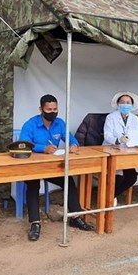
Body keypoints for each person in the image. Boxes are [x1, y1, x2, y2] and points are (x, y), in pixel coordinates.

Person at [20, 94, 95, 241]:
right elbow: (24, 144)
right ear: (41, 109)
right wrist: (43, 148)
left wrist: (73, 144)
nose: (52, 112)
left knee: (68, 181)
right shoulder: (30, 124)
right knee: (33, 185)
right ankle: (35, 223)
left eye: (55, 109)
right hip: (34, 167)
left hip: (52, 167)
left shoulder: (59, 123)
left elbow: (71, 138)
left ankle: (75, 217)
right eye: (49, 109)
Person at [103, 91, 138, 200]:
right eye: (122, 102)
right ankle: (109, 197)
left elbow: (134, 134)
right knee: (118, 176)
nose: (125, 104)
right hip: (112, 150)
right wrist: (118, 140)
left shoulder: (135, 118)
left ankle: (111, 196)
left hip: (127, 152)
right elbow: (107, 135)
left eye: (128, 102)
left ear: (132, 105)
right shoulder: (110, 117)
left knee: (132, 177)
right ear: (118, 104)